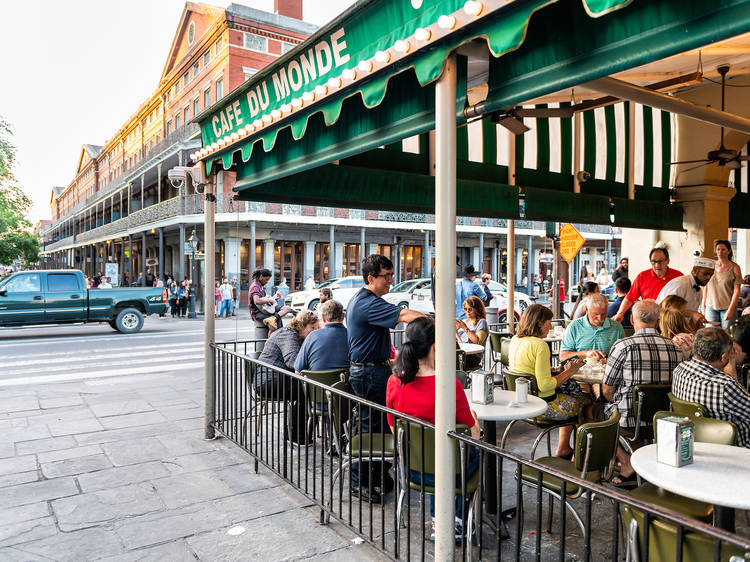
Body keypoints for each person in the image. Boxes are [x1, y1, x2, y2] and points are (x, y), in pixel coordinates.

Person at [386, 316, 480, 539]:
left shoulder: (394, 382)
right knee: (469, 454)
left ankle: (440, 520)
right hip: (450, 471)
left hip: (411, 469)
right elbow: (473, 433)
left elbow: (394, 428)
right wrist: (475, 419)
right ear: (435, 347)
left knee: (434, 454)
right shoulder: (449, 384)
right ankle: (457, 521)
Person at [347, 254, 425, 503]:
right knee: (369, 426)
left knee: (378, 424)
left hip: (373, 369)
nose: (391, 281)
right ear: (371, 278)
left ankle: (378, 476)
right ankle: (360, 482)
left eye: (392, 275)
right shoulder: (367, 302)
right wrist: (435, 321)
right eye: (386, 276)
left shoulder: (366, 299)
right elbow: (403, 316)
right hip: (368, 373)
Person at [602, 300, 683, 486]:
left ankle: (627, 461)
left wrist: (614, 400)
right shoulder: (675, 348)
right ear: (658, 321)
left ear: (632, 319)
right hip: (664, 419)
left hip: (629, 419)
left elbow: (607, 389)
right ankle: (643, 460)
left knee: (592, 411)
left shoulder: (623, 346)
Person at [509, 304, 588, 458]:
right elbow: (545, 386)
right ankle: (580, 457)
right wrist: (569, 371)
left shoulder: (515, 339)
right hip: (542, 405)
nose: (550, 326)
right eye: (548, 322)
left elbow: (527, 371)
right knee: (587, 404)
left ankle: (565, 447)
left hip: (521, 401)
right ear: (539, 323)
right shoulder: (540, 345)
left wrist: (554, 371)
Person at [672, 327, 750, 448]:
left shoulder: (679, 370)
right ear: (724, 357)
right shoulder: (725, 385)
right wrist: (732, 366)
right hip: (733, 450)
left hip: (692, 445)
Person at [255, 310, 320, 443]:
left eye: (317, 328)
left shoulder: (297, 336)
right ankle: (297, 436)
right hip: (268, 380)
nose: (314, 331)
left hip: (278, 378)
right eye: (312, 328)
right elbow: (293, 361)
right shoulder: (288, 334)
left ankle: (296, 433)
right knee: (306, 391)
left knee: (308, 389)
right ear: (302, 325)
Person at [612, 247, 682, 323]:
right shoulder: (642, 276)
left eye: (661, 261)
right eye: (653, 261)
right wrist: (620, 313)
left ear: (668, 261)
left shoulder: (678, 277)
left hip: (671, 322)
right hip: (650, 321)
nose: (657, 265)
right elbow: (630, 298)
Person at [560, 293, 625, 364]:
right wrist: (585, 354)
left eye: (603, 314)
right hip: (580, 372)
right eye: (596, 314)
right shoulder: (574, 327)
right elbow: (563, 357)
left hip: (607, 372)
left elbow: (624, 355)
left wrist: (609, 360)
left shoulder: (616, 327)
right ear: (586, 309)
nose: (600, 318)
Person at [294, 300, 349, 374]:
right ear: (343, 316)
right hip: (345, 384)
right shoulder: (353, 336)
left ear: (323, 317)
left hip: (315, 384)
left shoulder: (312, 336)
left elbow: (297, 371)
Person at [704, 240, 743, 329]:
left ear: (729, 251)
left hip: (727, 307)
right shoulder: (711, 265)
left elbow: (737, 290)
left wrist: (731, 309)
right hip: (710, 307)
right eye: (718, 249)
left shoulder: (735, 268)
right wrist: (703, 304)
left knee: (726, 337)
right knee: (710, 335)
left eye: (723, 250)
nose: (720, 252)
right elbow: (706, 286)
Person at [249, 268, 293, 333]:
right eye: (266, 279)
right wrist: (269, 300)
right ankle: (273, 322)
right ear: (261, 277)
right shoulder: (255, 286)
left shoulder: (260, 286)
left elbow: (265, 302)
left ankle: (273, 318)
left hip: (265, 310)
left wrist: (275, 298)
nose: (267, 281)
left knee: (287, 308)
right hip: (258, 312)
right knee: (274, 327)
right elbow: (257, 301)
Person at [455, 295, 488, 371]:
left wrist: (465, 328)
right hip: (462, 354)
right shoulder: (465, 321)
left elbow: (477, 341)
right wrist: (455, 332)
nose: (467, 312)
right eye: (465, 309)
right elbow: (460, 342)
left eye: (470, 309)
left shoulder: (482, 322)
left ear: (477, 309)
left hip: (472, 357)